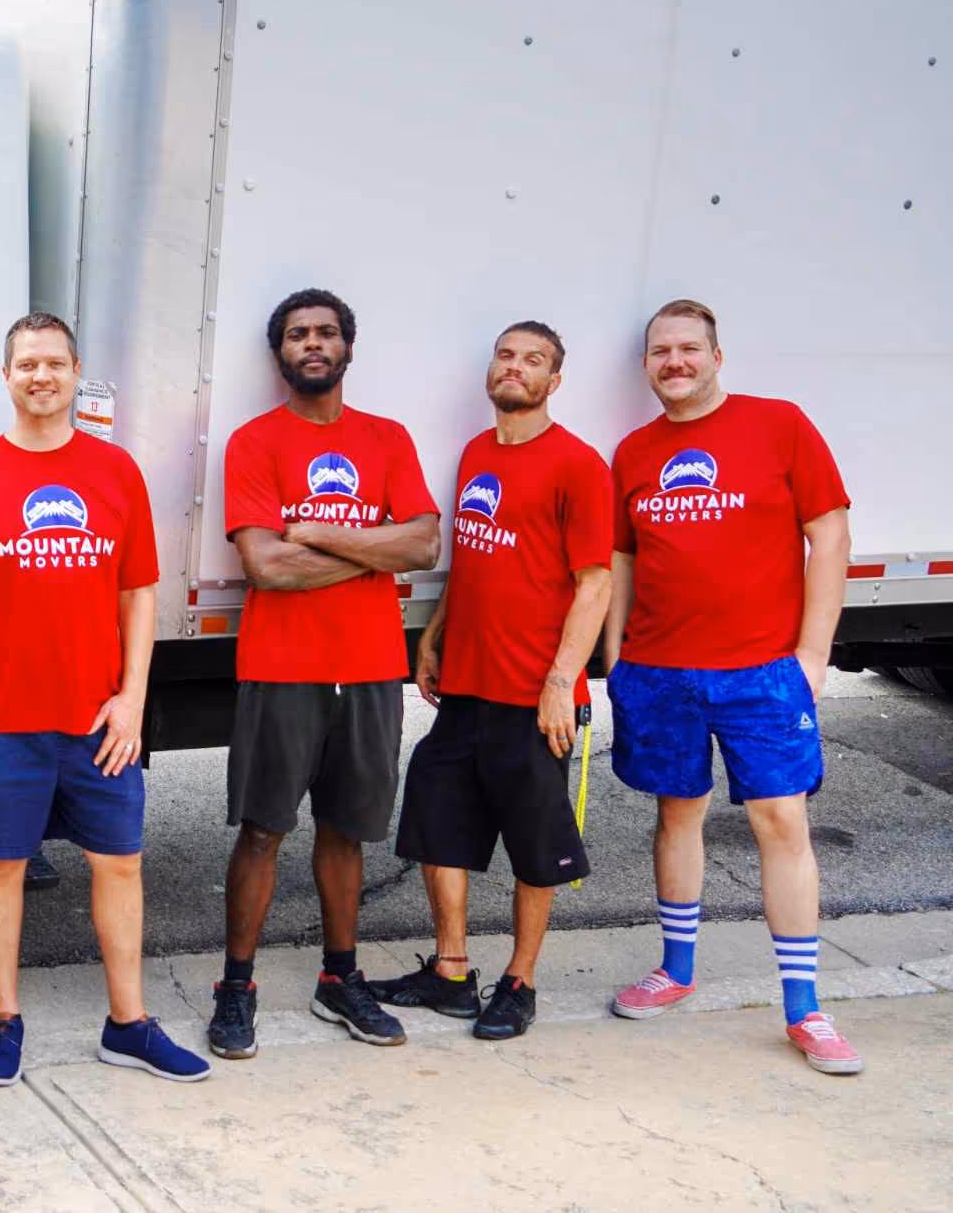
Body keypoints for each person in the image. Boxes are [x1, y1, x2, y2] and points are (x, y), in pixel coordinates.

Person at [0, 311, 210, 1087]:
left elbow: (139, 595)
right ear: (6, 376)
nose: (41, 376)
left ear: (76, 375)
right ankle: (5, 1018)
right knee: (0, 867)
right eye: (27, 364)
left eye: (55, 364)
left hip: (96, 718)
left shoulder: (115, 472)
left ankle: (129, 1025)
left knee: (119, 863)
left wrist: (132, 699)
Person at [603, 299, 859, 1074]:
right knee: (676, 814)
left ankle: (804, 1009)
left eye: (689, 348)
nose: (674, 362)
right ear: (646, 366)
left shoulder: (778, 424)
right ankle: (676, 971)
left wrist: (812, 653)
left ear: (716, 357)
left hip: (762, 671)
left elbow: (830, 533)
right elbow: (622, 558)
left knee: (782, 822)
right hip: (659, 670)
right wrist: (617, 657)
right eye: (660, 352)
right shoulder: (634, 451)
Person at [208, 288, 441, 1058]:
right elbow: (268, 567)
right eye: (298, 334)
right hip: (282, 667)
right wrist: (373, 545)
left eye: (327, 332)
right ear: (280, 352)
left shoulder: (387, 438)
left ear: (348, 348)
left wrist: (313, 530)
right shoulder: (254, 441)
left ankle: (339, 979)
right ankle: (236, 988)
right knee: (262, 831)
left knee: (346, 833)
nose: (313, 343)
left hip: (370, 667)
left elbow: (423, 546)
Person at [366, 322, 611, 1040]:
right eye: (506, 355)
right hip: (467, 686)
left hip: (533, 695)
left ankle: (520, 981)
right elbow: (473, 563)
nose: (515, 367)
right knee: (438, 823)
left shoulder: (577, 464)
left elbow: (594, 583)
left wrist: (561, 681)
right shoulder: (476, 452)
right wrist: (435, 635)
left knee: (535, 846)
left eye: (533, 360)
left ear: (553, 382)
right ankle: (451, 973)